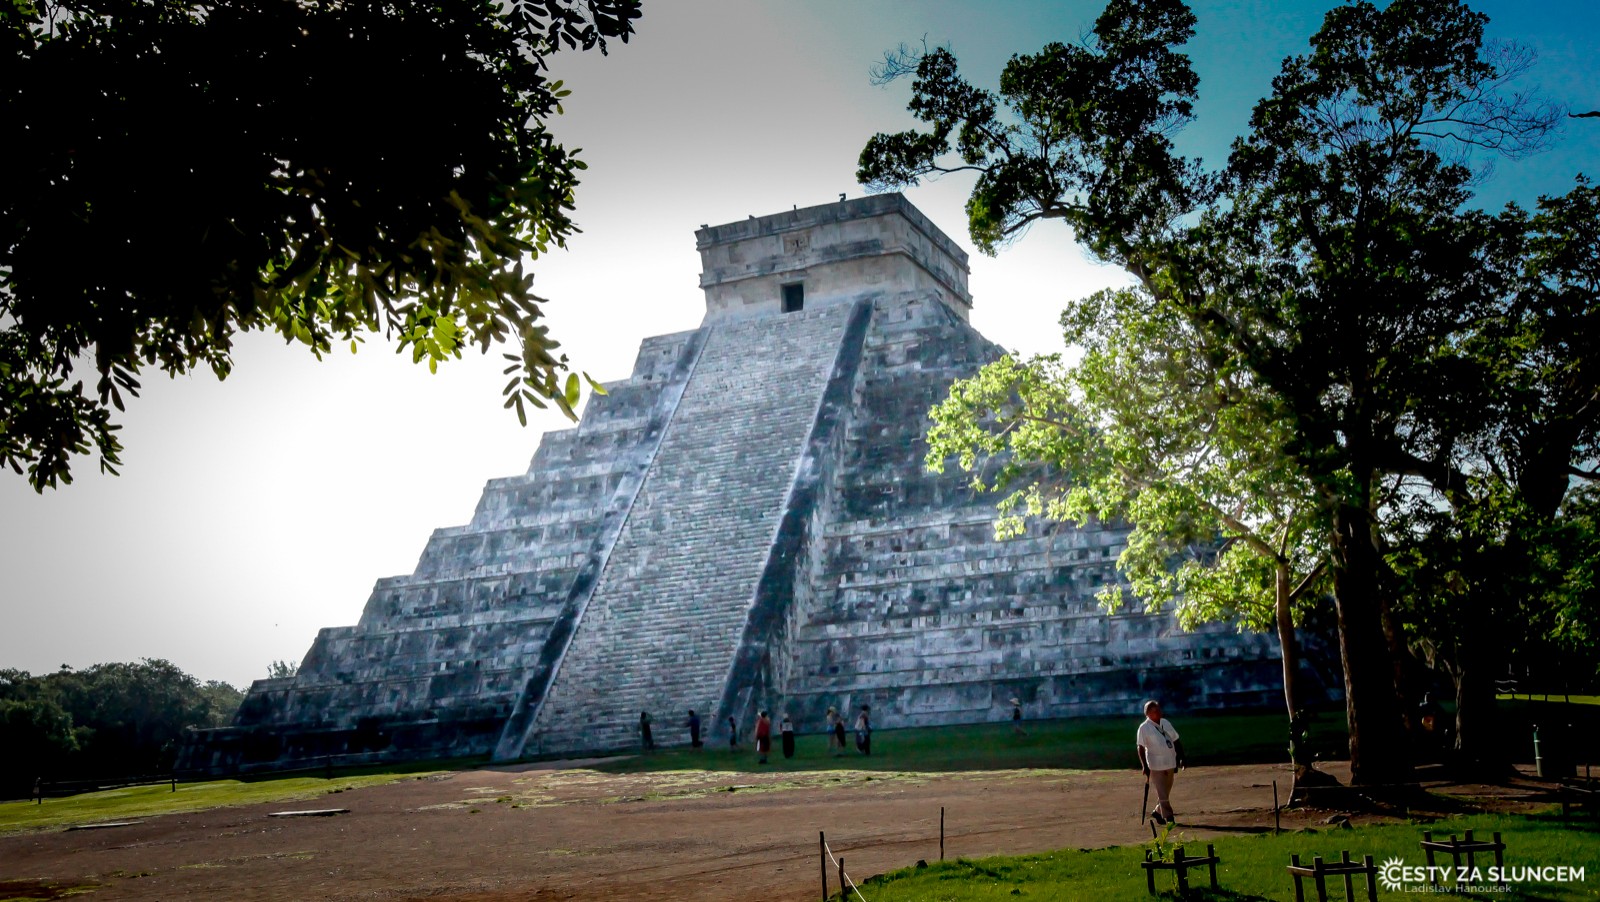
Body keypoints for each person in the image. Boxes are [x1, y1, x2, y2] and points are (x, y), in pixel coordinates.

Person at [1136, 700, 1184, 824]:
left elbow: (1176, 740)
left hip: (1170, 762)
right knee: (1162, 792)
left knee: (1165, 792)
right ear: (1148, 714)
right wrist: (1144, 766)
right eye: (1155, 711)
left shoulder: (1165, 722)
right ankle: (1169, 817)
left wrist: (1181, 757)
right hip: (1155, 764)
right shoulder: (1144, 727)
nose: (1159, 712)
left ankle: (1157, 812)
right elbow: (1140, 747)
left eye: (1159, 709)